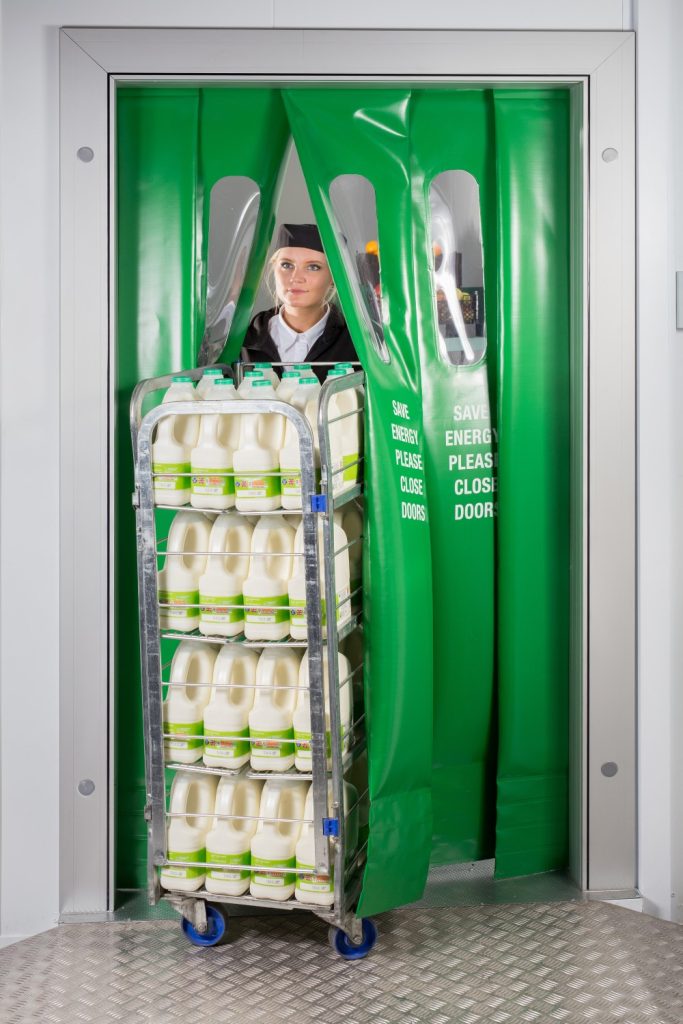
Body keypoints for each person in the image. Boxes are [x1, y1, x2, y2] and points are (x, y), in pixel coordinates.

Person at [241, 223, 358, 382]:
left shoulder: (356, 344)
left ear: (334, 276)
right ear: (274, 268)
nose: (295, 278)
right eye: (286, 265)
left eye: (313, 267)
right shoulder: (242, 342)